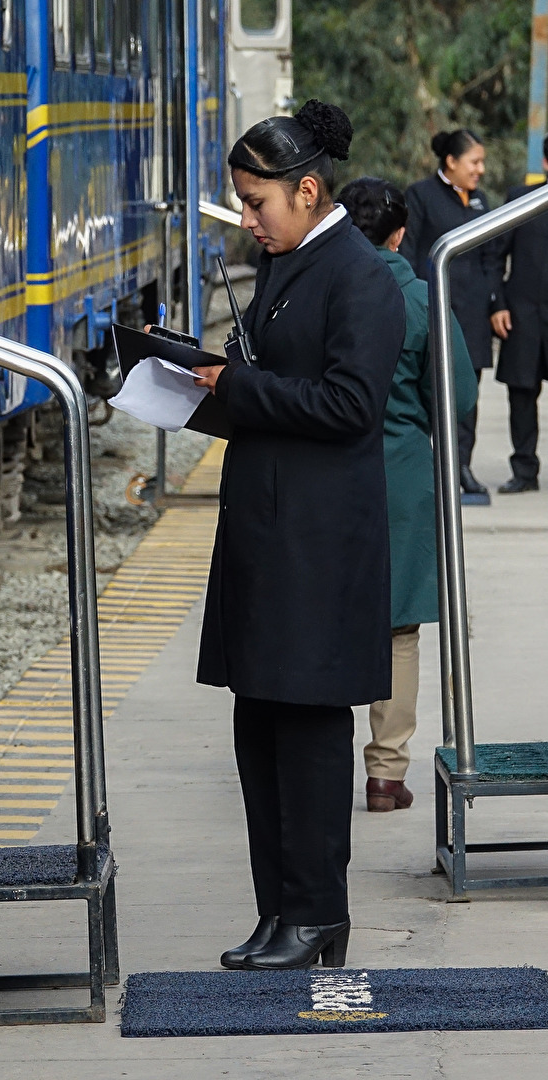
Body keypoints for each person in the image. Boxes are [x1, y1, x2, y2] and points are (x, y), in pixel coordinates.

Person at [190, 100, 405, 972]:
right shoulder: (290, 263)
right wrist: (200, 389)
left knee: (308, 733)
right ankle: (278, 913)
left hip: (316, 551)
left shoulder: (358, 277)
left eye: (257, 203)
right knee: (260, 727)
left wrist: (236, 390)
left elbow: (349, 406)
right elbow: (274, 387)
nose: (247, 219)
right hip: (272, 542)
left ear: (308, 190)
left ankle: (316, 916)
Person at [337, 177, 477, 813]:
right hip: (402, 480)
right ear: (399, 234)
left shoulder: (325, 289)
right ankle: (386, 775)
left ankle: (318, 767)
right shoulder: (423, 297)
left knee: (329, 621)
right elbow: (460, 396)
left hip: (330, 476)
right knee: (397, 630)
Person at [400, 130, 500, 502]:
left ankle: (462, 468)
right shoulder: (421, 196)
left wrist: (497, 304)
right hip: (435, 310)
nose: (481, 170)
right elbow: (408, 251)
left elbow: (491, 257)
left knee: (467, 393)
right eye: (474, 162)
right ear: (451, 162)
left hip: (472, 314)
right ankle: (431, 469)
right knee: (428, 392)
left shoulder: (480, 201)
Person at [489, 138, 548, 493]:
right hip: (522, 316)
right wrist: (498, 304)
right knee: (521, 396)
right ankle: (524, 471)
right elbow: (494, 256)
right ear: (545, 162)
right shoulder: (521, 200)